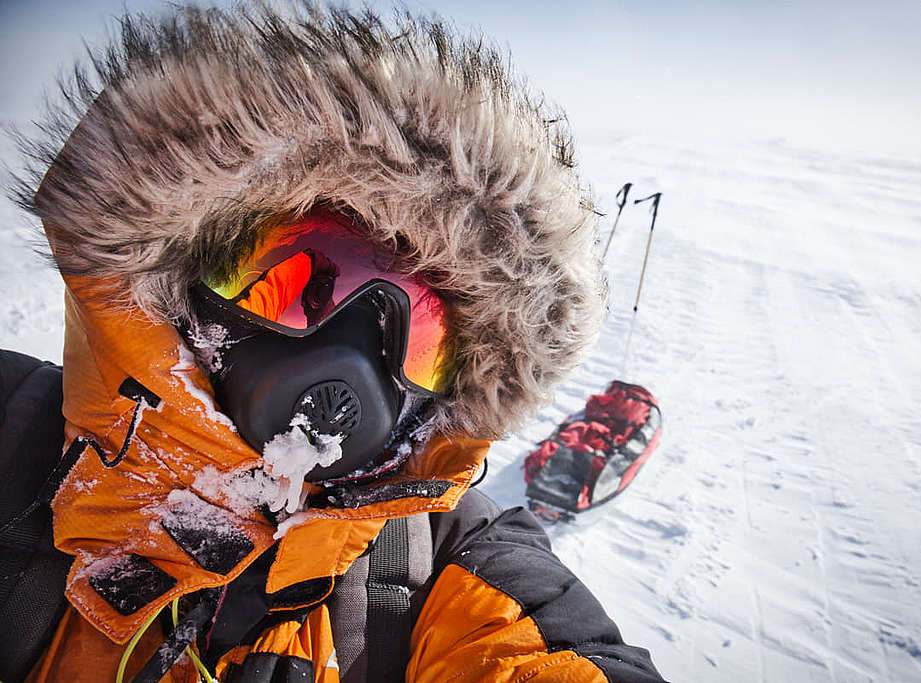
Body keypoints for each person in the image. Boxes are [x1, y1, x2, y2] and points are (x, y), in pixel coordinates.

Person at [3, 3, 665, 681]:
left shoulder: (447, 562)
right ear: (185, 272)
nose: (347, 362)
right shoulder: (11, 432)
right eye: (291, 281)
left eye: (421, 336)